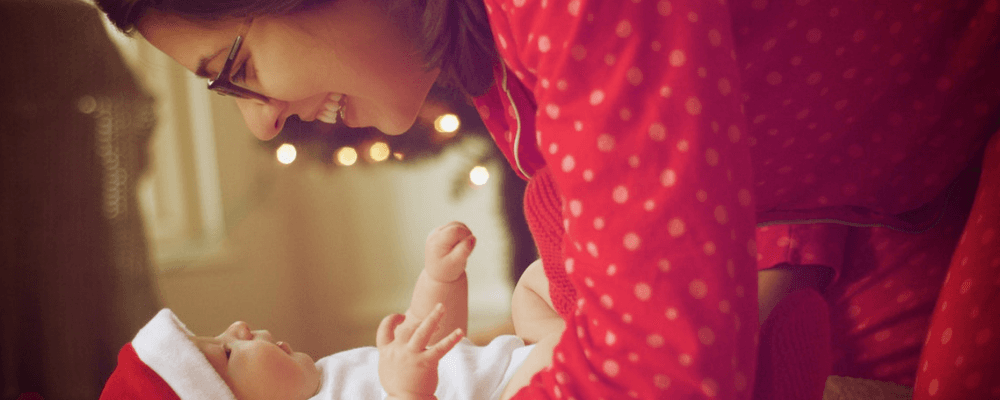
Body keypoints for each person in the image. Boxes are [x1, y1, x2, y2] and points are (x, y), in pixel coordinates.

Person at [94, 0, 1000, 399]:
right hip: (882, 200)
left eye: (236, 67)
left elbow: (656, 377)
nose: (260, 124)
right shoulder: (492, 51)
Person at [100, 221, 566, 400]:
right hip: (513, 391)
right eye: (225, 353)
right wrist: (408, 391)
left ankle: (597, 308)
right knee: (557, 351)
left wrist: (440, 278)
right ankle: (592, 337)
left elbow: (431, 338)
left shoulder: (329, 375)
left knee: (532, 285)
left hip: (517, 360)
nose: (236, 328)